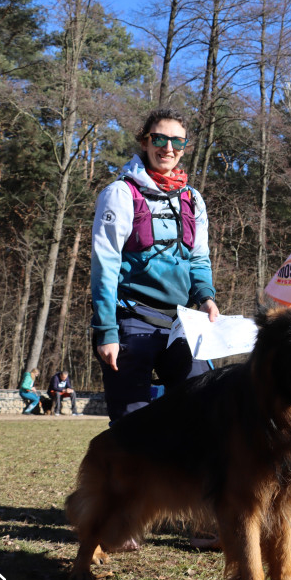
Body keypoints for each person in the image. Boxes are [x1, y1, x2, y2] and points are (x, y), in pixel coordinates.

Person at [90, 108, 220, 423]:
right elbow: (104, 266)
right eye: (159, 138)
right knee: (131, 423)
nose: (168, 147)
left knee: (204, 409)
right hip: (131, 319)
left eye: (177, 140)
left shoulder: (193, 199)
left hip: (181, 323)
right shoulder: (120, 194)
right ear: (145, 142)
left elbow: (199, 258)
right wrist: (106, 331)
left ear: (185, 147)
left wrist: (206, 297)